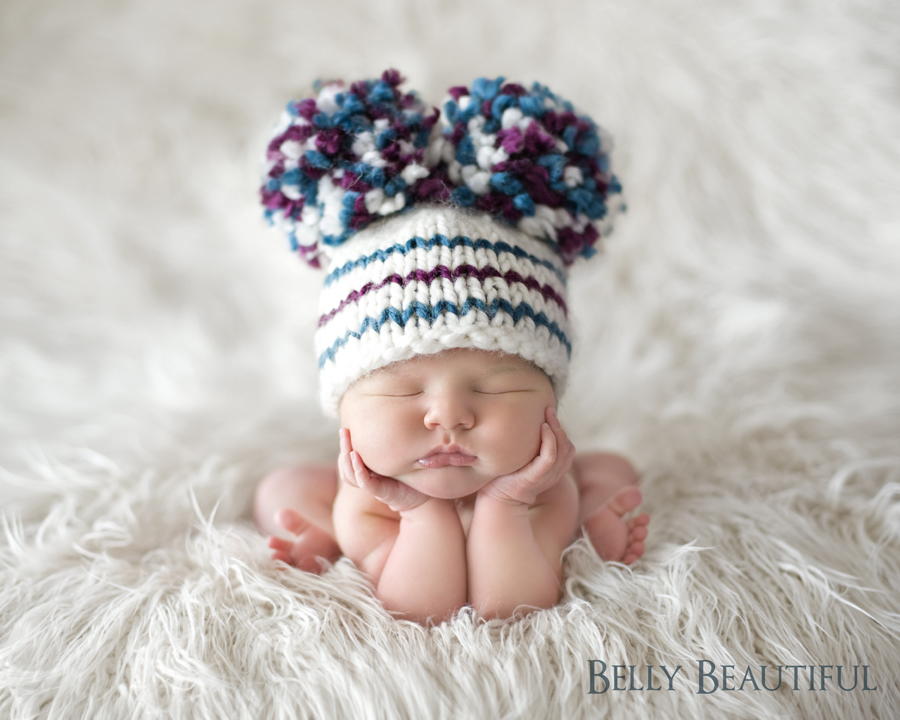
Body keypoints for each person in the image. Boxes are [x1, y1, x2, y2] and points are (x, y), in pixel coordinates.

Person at [253, 69, 649, 624]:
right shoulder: (367, 497)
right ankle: (320, 534)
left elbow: (510, 606)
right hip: (385, 501)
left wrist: (507, 504)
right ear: (343, 405)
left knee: (607, 468)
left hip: (527, 492)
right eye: (402, 390)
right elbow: (422, 607)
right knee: (286, 487)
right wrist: (416, 513)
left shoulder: (546, 489)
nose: (449, 415)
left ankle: (602, 515)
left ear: (549, 403)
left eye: (497, 386)